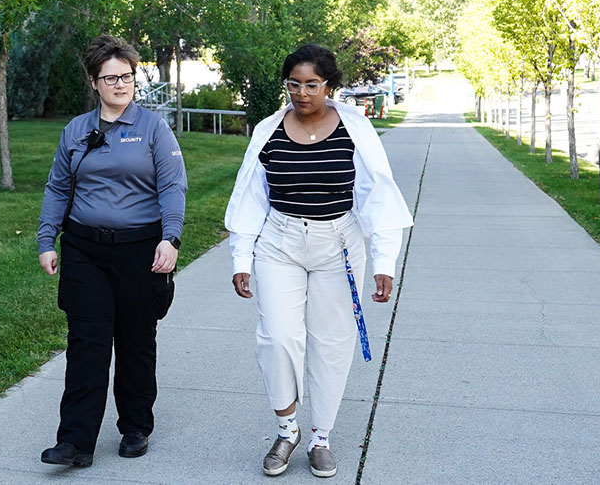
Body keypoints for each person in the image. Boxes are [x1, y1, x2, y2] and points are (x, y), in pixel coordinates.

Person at [224, 44, 413, 478]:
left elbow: (376, 194)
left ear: (330, 85)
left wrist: (385, 262)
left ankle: (320, 437)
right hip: (279, 241)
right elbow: (251, 195)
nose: (302, 93)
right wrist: (242, 256)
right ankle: (286, 428)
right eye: (294, 84)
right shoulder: (269, 130)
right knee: (277, 337)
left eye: (312, 84)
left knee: (332, 343)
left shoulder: (355, 128)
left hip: (339, 244)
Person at [36, 35, 187, 467]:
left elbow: (173, 186)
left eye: (127, 76)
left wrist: (170, 237)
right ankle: (75, 442)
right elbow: (58, 188)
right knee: (87, 343)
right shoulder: (76, 131)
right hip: (84, 248)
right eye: (111, 78)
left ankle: (135, 426)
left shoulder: (153, 128)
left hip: (140, 249)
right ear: (94, 82)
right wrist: (47, 239)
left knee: (136, 339)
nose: (121, 84)